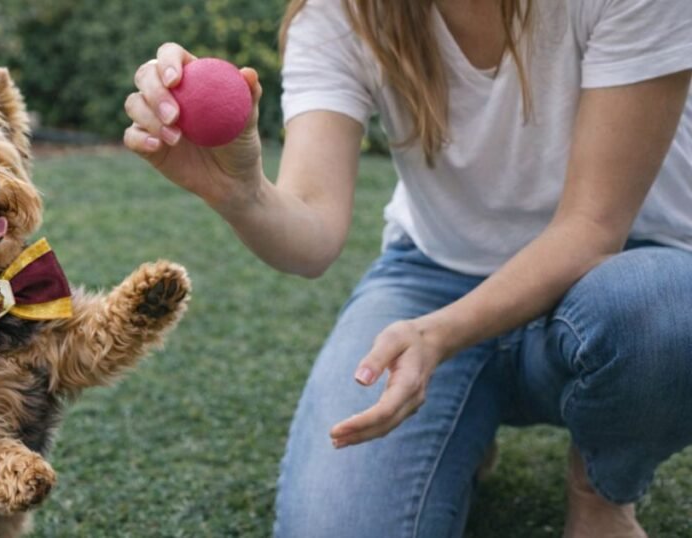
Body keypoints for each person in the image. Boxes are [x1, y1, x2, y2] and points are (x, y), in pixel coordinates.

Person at [123, 0, 692, 536]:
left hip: (612, 278)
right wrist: (241, 194)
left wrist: (437, 335)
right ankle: (465, 422)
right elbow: (313, 234)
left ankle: (600, 488)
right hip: (434, 274)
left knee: (663, 312)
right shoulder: (342, 12)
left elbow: (592, 228)